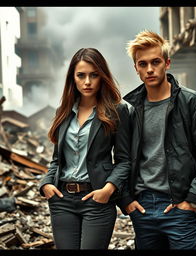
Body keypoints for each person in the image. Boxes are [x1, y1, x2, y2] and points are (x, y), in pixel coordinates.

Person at [119, 30, 196, 250]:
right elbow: (121, 158)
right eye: (143, 64)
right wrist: (127, 201)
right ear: (136, 68)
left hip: (179, 206)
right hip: (143, 208)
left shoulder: (192, 102)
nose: (149, 69)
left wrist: (193, 200)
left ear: (167, 63)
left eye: (155, 62)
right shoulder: (129, 109)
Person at [39, 48, 130, 249]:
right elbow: (57, 160)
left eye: (94, 75)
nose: (87, 82)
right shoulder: (63, 112)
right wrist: (46, 184)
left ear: (102, 76)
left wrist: (108, 189)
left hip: (97, 200)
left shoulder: (117, 111)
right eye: (81, 75)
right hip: (62, 200)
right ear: (73, 78)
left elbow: (124, 160)